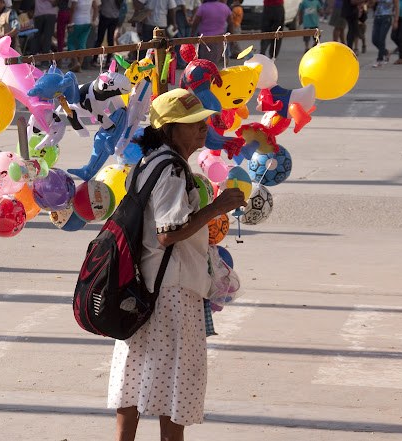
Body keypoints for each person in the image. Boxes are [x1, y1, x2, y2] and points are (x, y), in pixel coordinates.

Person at [108, 88, 245, 441]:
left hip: (146, 286)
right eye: (191, 123)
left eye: (201, 120)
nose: (202, 127)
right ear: (169, 130)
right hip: (173, 291)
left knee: (137, 375)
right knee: (176, 381)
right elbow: (170, 231)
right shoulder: (171, 171)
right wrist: (218, 207)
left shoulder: (149, 163)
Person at [191, 0, 234, 66]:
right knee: (215, 60)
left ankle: (207, 74)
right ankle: (213, 74)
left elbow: (195, 23)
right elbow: (231, 23)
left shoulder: (203, 7)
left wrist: (192, 35)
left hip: (205, 39)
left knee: (205, 61)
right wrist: (232, 38)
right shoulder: (224, 7)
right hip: (219, 38)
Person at [67, 0, 98, 72]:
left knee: (70, 43)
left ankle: (76, 62)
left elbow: (73, 9)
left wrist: (70, 23)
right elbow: (96, 8)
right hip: (87, 22)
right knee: (82, 44)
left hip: (77, 22)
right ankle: (79, 65)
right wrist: (93, 20)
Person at [92, 0, 123, 67]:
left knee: (100, 39)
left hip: (105, 15)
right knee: (110, 39)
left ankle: (94, 60)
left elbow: (99, 3)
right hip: (115, 16)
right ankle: (108, 61)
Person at [370, 0, 400, 67]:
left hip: (387, 17)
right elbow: (371, 4)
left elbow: (397, 7)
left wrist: (396, 21)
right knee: (374, 40)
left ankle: (379, 60)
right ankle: (385, 52)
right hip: (377, 16)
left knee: (381, 39)